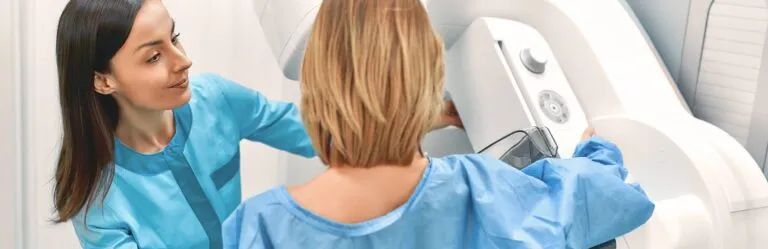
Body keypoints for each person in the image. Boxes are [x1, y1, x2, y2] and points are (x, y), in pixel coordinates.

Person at [221, 0, 655, 248]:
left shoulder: (258, 227)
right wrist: (596, 151)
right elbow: (600, 198)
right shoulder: (480, 190)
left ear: (318, 80)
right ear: (426, 76)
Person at [52, 0, 461, 248]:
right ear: (103, 81)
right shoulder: (95, 200)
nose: (184, 61)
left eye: (174, 39)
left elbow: (310, 130)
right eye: (154, 56)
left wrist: (422, 115)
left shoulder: (216, 100)